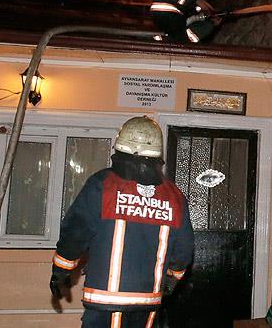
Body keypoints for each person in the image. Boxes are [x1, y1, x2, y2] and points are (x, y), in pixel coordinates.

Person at [50, 116, 194, 328]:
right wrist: (173, 278)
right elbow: (184, 249)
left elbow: (75, 233)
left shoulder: (103, 184)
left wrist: (61, 270)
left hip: (105, 301)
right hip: (148, 302)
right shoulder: (174, 196)